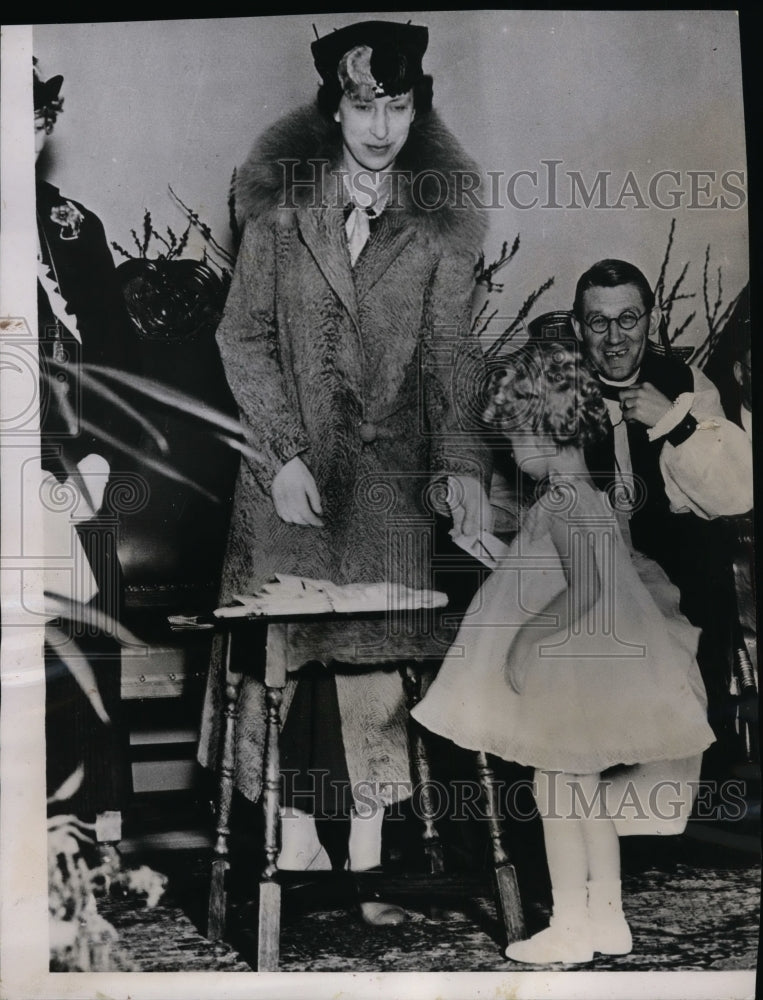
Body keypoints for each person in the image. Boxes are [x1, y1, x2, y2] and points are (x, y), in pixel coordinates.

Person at [197, 20, 491, 923]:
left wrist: (461, 474)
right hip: (284, 472)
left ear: (416, 106)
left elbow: (450, 360)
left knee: (371, 655)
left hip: (386, 477)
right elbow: (240, 336)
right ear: (334, 107)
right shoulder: (282, 207)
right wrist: (281, 450)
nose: (380, 127)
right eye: (363, 105)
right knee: (286, 647)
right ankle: (291, 833)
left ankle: (367, 845)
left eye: (397, 105)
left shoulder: (439, 222)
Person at [412, 340, 716, 963]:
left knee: (557, 795)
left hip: (566, 666)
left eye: (515, 438)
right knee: (585, 799)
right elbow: (550, 574)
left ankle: (571, 924)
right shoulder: (585, 493)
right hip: (587, 663)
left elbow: (588, 589)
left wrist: (525, 640)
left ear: (543, 427)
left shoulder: (562, 500)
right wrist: (494, 555)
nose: (512, 455)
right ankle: (608, 918)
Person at [569, 259, 752, 768]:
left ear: (651, 318)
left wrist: (676, 423)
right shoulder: (556, 388)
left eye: (628, 318)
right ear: (577, 326)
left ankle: (711, 767)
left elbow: (734, 495)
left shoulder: (687, 382)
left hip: (675, 550)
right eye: (598, 321)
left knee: (703, 562)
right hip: (592, 553)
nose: (614, 337)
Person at [35, 59, 136, 850]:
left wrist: (94, 460)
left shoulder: (72, 228)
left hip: (71, 460)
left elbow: (113, 360)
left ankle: (92, 805)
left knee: (88, 609)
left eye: (36, 121)